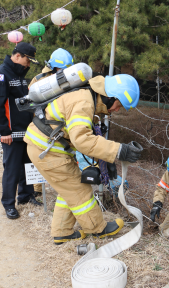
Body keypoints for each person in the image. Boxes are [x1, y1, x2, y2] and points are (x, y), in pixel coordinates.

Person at [24, 73, 142, 245]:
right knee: (79, 191)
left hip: (45, 147)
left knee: (69, 189)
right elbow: (82, 140)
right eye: (119, 105)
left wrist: (107, 159)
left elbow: (83, 134)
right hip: (47, 151)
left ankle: (62, 232)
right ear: (111, 96)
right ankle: (97, 229)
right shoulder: (85, 102)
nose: (117, 110)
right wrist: (119, 150)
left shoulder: (88, 96)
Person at [0, 42, 42, 220]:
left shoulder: (19, 74)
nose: (29, 65)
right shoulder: (0, 75)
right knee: (11, 169)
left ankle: (26, 197)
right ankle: (8, 204)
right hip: (10, 132)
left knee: (27, 165)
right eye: (28, 60)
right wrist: (3, 131)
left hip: (25, 131)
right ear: (17, 56)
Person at [28, 48, 74, 197]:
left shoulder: (43, 78)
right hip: (43, 122)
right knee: (40, 153)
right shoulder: (40, 80)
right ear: (53, 67)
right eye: (60, 68)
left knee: (60, 154)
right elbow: (31, 99)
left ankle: (61, 187)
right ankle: (37, 189)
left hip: (57, 121)